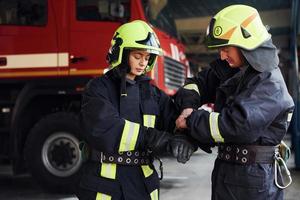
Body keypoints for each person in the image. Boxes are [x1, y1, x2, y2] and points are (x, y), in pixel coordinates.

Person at [174, 4, 294, 200]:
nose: (221, 55)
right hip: (227, 171)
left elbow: (237, 125)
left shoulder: (270, 82)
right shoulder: (232, 70)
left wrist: (191, 121)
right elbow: (195, 85)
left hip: (254, 180)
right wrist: (188, 107)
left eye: (226, 48)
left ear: (247, 43)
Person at [77, 20, 195, 200]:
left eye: (147, 58)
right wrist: (157, 139)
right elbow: (106, 129)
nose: (143, 63)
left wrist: (184, 137)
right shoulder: (98, 88)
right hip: (106, 186)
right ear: (122, 54)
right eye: (138, 56)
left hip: (141, 185)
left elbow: (175, 120)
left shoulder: (152, 93)